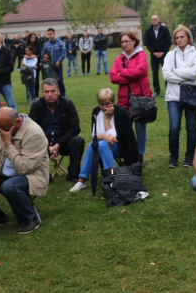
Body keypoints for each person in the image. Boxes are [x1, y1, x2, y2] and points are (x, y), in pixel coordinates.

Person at [70, 88, 139, 192]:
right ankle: (82, 180)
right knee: (95, 145)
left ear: (113, 102)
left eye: (107, 104)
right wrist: (105, 137)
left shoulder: (120, 112)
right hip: (104, 145)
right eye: (101, 104)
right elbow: (95, 136)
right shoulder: (96, 112)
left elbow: (115, 137)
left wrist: (106, 118)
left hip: (120, 147)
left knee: (100, 145)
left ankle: (111, 178)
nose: (104, 107)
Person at [29, 78, 85, 182]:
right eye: (47, 92)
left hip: (63, 143)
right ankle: (42, 174)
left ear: (58, 91)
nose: (50, 94)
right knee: (29, 143)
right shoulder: (36, 106)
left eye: (53, 91)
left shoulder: (67, 104)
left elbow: (75, 128)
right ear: (42, 93)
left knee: (78, 141)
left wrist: (58, 144)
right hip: (42, 145)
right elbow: (31, 130)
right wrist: (47, 145)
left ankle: (73, 175)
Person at [162, 25, 196, 168]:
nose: (179, 40)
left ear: (188, 37)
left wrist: (176, 71)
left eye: (182, 37)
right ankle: (173, 157)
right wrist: (185, 76)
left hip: (191, 96)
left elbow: (194, 73)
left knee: (191, 127)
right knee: (174, 127)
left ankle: (189, 158)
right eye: (177, 38)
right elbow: (166, 74)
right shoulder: (169, 55)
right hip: (173, 96)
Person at [110, 32, 152, 163]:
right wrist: (132, 76)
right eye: (122, 42)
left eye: (127, 41)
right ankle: (128, 155)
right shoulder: (119, 59)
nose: (124, 44)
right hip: (124, 100)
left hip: (141, 100)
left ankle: (139, 157)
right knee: (124, 130)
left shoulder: (141, 55)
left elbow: (142, 70)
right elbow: (113, 77)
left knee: (140, 130)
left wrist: (122, 72)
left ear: (134, 41)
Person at [144, 15, 172, 96]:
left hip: (165, 54)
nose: (154, 21)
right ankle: (156, 90)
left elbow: (168, 41)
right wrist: (153, 52)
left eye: (155, 19)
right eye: (152, 19)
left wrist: (164, 52)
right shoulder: (149, 31)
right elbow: (147, 43)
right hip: (154, 55)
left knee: (167, 72)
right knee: (155, 73)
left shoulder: (165, 30)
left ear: (159, 19)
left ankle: (168, 89)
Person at [42, 28, 67, 96]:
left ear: (54, 34)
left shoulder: (60, 43)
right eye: (48, 34)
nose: (49, 35)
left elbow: (64, 52)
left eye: (51, 34)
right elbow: (43, 53)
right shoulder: (46, 44)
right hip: (50, 66)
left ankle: (63, 94)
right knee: (50, 81)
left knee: (59, 80)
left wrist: (59, 60)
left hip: (57, 65)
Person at [25, 32, 42, 97]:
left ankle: (36, 95)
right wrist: (25, 56)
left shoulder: (38, 44)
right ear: (29, 38)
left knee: (35, 80)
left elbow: (40, 54)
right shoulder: (26, 44)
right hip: (27, 65)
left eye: (34, 38)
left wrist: (35, 56)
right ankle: (29, 96)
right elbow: (21, 54)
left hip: (35, 65)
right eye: (32, 37)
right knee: (28, 80)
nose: (33, 39)